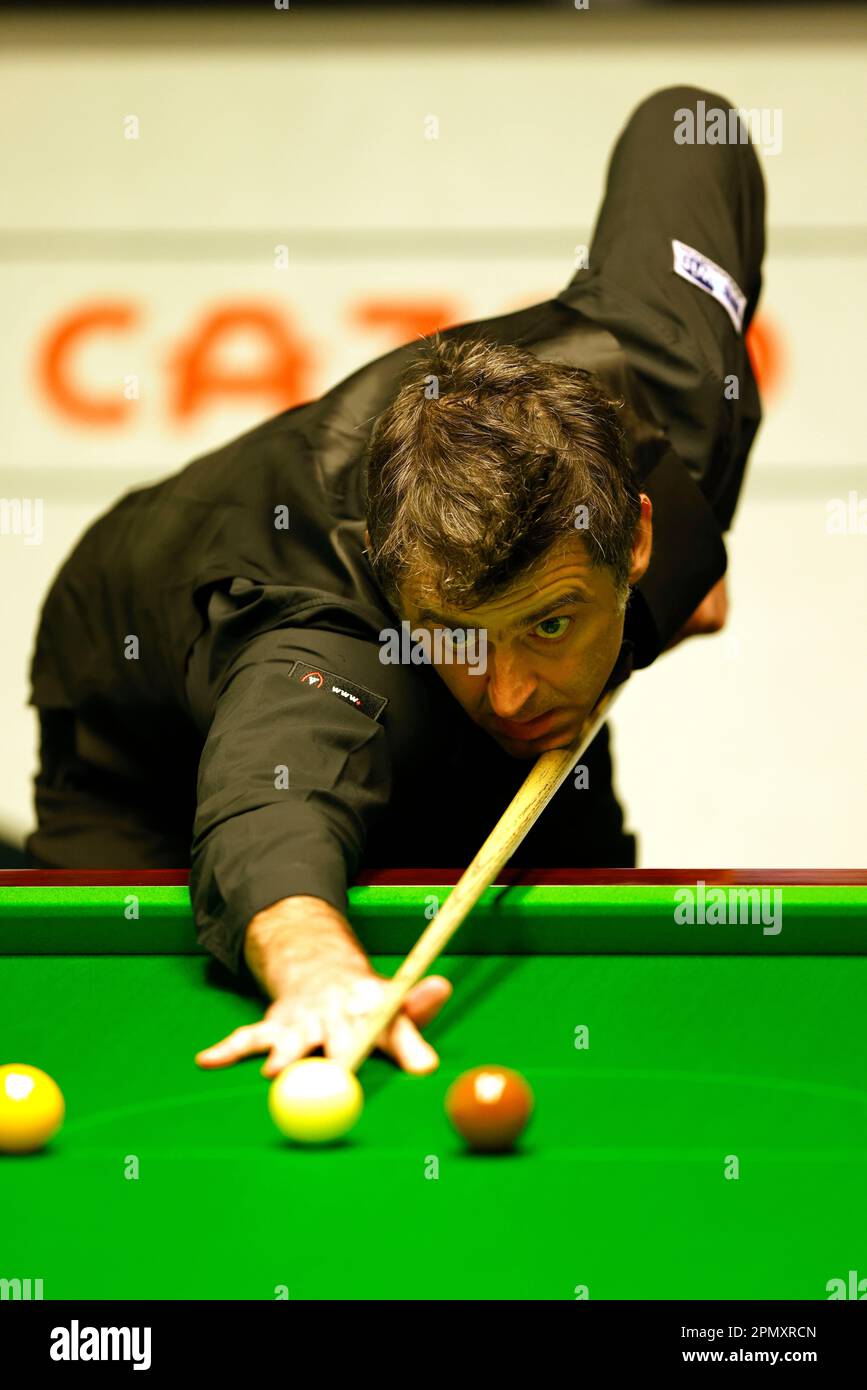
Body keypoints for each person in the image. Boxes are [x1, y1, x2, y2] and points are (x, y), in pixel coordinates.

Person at [25, 86, 764, 1077]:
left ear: (634, 537)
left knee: (585, 960)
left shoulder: (675, 376)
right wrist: (315, 963)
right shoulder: (324, 626)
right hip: (143, 743)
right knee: (117, 1035)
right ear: (401, 585)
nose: (506, 694)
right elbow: (269, 797)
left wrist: (689, 548)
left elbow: (686, 126)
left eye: (549, 622)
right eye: (463, 637)